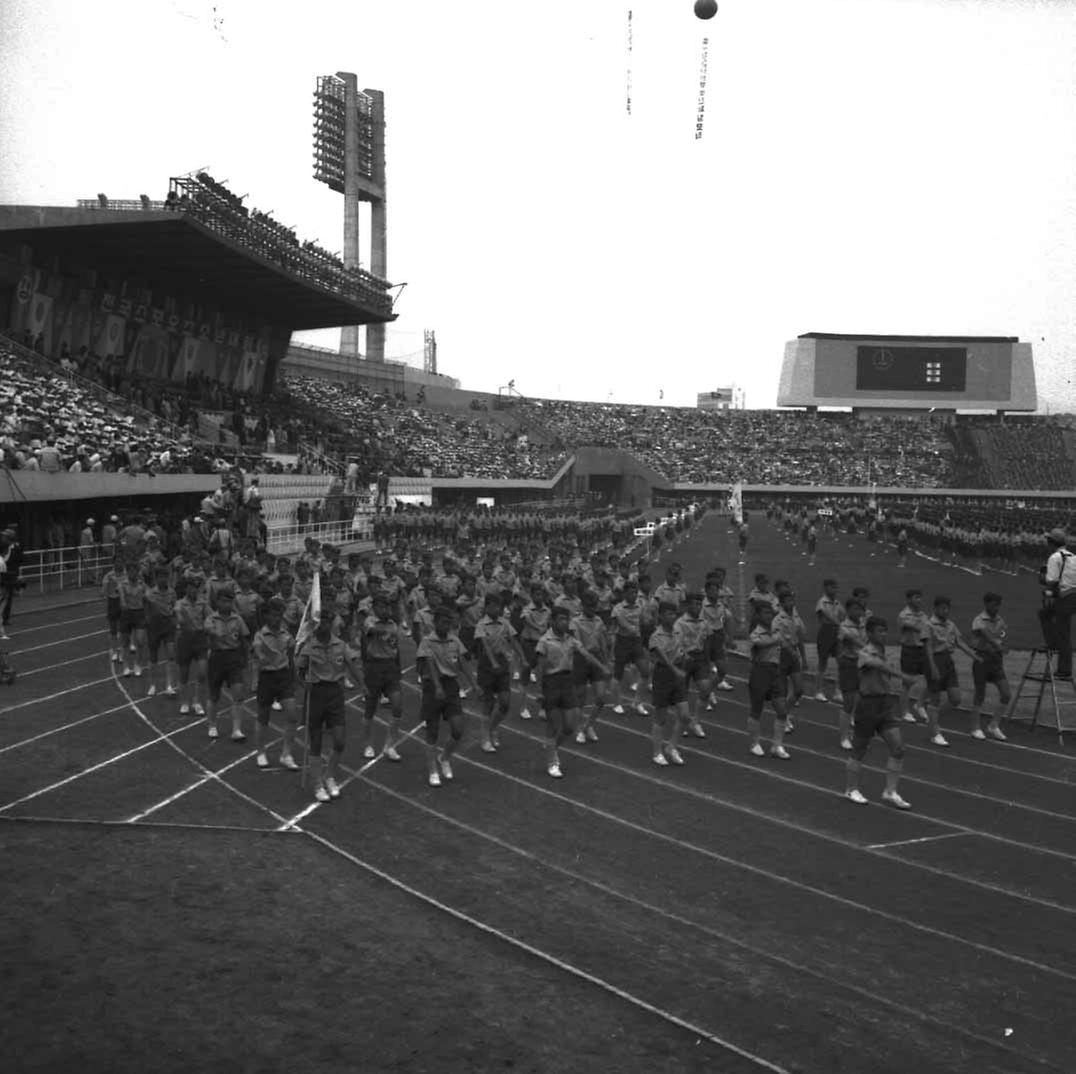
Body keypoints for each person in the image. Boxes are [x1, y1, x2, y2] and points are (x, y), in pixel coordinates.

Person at [845, 616, 919, 809]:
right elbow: (877, 665)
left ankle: (890, 791)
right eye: (880, 630)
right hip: (867, 706)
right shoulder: (864, 653)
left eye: (885, 630)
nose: (884, 634)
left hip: (885, 705)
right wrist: (902, 676)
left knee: (898, 748)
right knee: (859, 749)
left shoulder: (883, 652)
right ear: (869, 633)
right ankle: (851, 789)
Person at [535, 606, 609, 778]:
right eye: (560, 619)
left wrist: (602, 667)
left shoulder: (570, 640)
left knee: (569, 726)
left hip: (567, 682)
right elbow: (540, 668)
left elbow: (586, 654)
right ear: (552, 621)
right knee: (553, 725)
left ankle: (552, 748)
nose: (564, 623)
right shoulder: (544, 641)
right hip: (551, 683)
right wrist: (540, 691)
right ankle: (552, 762)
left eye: (566, 619)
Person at [297, 617, 364, 802]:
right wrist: (304, 683)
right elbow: (298, 670)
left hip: (335, 693)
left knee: (340, 740)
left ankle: (330, 775)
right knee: (316, 740)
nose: (323, 626)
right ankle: (318, 784)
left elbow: (352, 665)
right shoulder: (309, 646)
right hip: (316, 694)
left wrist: (363, 685)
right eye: (319, 623)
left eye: (326, 622)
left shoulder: (340, 645)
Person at [416, 607, 476, 786]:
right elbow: (429, 665)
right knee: (432, 730)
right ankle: (433, 770)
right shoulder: (427, 642)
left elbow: (463, 663)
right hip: (432, 687)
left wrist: (474, 684)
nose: (446, 626)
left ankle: (444, 758)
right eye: (443, 622)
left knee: (457, 729)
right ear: (435, 623)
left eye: (448, 623)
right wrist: (437, 686)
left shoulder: (454, 640)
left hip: (451, 686)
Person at [924, 595, 981, 748]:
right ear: (935, 608)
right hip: (935, 660)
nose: (946, 611)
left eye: (948, 608)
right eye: (943, 608)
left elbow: (959, 642)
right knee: (935, 699)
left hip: (948, 662)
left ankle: (932, 719)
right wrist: (933, 667)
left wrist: (974, 656)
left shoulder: (951, 625)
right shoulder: (928, 625)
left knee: (955, 699)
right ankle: (935, 733)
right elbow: (928, 647)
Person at [251, 597, 301, 770]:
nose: (277, 619)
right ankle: (260, 751)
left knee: (292, 715)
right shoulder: (260, 635)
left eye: (279, 615)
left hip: (284, 677)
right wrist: (262, 657)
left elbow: (292, 654)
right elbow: (258, 651)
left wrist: (294, 648)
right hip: (267, 678)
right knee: (263, 716)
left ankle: (286, 754)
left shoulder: (286, 634)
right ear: (267, 616)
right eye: (273, 615)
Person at [474, 593, 525, 752]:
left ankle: (493, 727)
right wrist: (493, 662)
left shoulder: (505, 623)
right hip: (487, 666)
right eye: (495, 606)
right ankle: (485, 739)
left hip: (502, 664)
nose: (498, 609)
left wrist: (522, 657)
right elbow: (485, 646)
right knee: (488, 704)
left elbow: (514, 640)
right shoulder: (481, 625)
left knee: (505, 702)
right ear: (487, 607)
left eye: (500, 607)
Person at [359, 593, 405, 761]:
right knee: (370, 708)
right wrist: (383, 628)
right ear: (374, 608)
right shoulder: (370, 621)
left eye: (387, 607)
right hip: (374, 667)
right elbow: (371, 631)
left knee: (398, 706)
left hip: (390, 667)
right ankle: (367, 744)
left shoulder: (393, 625)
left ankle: (390, 745)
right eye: (381, 607)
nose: (386, 610)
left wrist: (398, 667)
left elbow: (395, 647)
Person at [204, 584, 250, 741]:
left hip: (233, 658)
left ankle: (236, 730)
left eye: (229, 602)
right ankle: (212, 725)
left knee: (238, 694)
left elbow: (244, 640)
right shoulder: (211, 619)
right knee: (214, 694)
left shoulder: (237, 619)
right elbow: (210, 634)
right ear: (217, 602)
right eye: (223, 601)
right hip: (217, 658)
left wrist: (245, 660)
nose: (226, 605)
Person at [747, 602, 791, 759]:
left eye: (770, 613)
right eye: (765, 613)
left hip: (775, 672)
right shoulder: (755, 634)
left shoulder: (775, 631)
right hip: (760, 672)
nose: (769, 616)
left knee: (782, 710)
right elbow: (759, 644)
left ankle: (777, 745)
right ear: (758, 615)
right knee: (756, 709)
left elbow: (786, 643)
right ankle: (754, 743)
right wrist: (777, 639)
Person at [648, 601, 689, 765]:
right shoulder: (656, 637)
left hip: (677, 674)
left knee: (685, 716)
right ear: (661, 616)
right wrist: (676, 670)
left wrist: (685, 659)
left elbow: (681, 650)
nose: (673, 617)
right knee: (661, 716)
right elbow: (663, 659)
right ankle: (657, 752)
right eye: (669, 614)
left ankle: (671, 747)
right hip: (663, 675)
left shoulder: (678, 632)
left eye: (674, 614)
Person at [968, 592, 1010, 742]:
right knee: (980, 694)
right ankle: (975, 727)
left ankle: (994, 725)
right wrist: (998, 645)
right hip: (982, 660)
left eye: (998, 605)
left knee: (1006, 694)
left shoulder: (1000, 620)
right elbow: (987, 636)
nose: (997, 608)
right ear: (986, 604)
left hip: (996, 661)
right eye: (994, 604)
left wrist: (1002, 645)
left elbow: (1003, 637)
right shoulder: (978, 620)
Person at [1041, 528, 1076, 680]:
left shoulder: (1054, 557)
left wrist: (1047, 593)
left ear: (1052, 542)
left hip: (1066, 598)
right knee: (1045, 613)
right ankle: (1053, 642)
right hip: (1073, 595)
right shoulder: (1073, 557)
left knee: (1063, 633)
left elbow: (1052, 582)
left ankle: (1064, 670)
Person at [897, 588, 934, 724]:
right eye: (916, 597)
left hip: (922, 650)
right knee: (907, 682)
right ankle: (904, 712)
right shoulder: (904, 615)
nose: (919, 600)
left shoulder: (923, 615)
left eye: (920, 597)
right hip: (909, 650)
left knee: (933, 679)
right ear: (908, 599)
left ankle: (919, 704)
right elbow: (913, 627)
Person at [144, 567, 177, 697]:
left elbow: (174, 607)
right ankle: (153, 685)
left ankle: (169, 685)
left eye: (165, 576)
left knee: (171, 654)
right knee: (153, 656)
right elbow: (145, 607)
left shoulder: (172, 593)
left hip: (168, 626)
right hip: (154, 626)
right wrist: (147, 620)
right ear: (156, 578)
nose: (163, 579)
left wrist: (175, 622)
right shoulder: (150, 593)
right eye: (160, 577)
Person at [814, 578, 844, 703]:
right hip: (826, 632)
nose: (835, 590)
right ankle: (819, 691)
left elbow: (843, 614)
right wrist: (839, 622)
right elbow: (826, 616)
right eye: (832, 587)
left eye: (836, 587)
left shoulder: (837, 603)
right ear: (825, 588)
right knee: (823, 662)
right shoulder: (822, 602)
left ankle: (838, 691)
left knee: (841, 661)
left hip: (837, 633)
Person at [117, 559, 148, 678]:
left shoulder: (142, 585)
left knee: (140, 641)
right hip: (127, 614)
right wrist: (123, 603)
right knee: (125, 642)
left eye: (134, 571)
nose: (132, 574)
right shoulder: (123, 585)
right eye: (130, 571)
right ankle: (126, 666)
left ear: (138, 572)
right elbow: (121, 598)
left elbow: (147, 598)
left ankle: (138, 664)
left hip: (139, 614)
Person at [0, 526, 24, 639]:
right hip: (3, 573)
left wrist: (18, 575)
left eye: (5, 536)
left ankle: (5, 618)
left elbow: (19, 561)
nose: (3, 538)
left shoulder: (16, 547)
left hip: (10, 575)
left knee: (7, 597)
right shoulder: (3, 546)